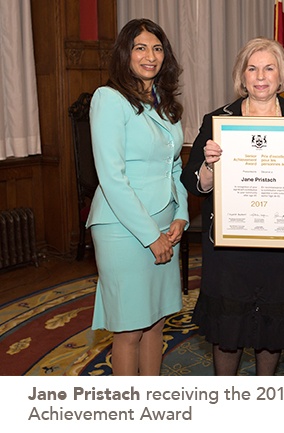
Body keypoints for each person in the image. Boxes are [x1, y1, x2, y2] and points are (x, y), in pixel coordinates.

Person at [181, 37, 284, 375]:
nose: (261, 76)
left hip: (280, 247)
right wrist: (210, 167)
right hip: (230, 250)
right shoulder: (218, 121)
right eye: (252, 68)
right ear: (242, 76)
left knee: (271, 333)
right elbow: (193, 183)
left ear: (282, 75)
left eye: (269, 68)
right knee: (227, 333)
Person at [86, 18, 189, 376]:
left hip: (165, 222)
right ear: (125, 54)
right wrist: (150, 236)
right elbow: (111, 177)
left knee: (156, 321)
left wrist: (182, 215)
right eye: (141, 47)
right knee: (129, 327)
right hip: (123, 228)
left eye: (157, 48)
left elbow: (174, 166)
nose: (151, 56)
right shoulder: (109, 99)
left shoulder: (164, 102)